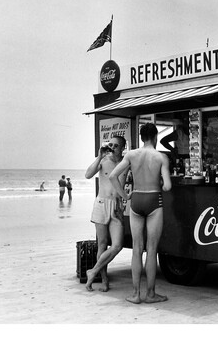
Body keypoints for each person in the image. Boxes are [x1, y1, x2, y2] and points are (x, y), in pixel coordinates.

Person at [110, 123, 172, 304]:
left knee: (137, 249)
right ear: (156, 137)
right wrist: (159, 182)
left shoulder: (131, 155)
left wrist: (124, 196)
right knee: (151, 250)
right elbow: (167, 186)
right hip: (154, 200)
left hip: (136, 200)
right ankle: (151, 294)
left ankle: (136, 294)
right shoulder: (161, 157)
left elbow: (113, 176)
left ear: (141, 137)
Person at [84, 136, 128, 292]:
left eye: (117, 145)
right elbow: (88, 175)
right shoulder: (103, 161)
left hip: (117, 207)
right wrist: (99, 156)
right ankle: (103, 279)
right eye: (111, 145)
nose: (113, 147)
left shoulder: (126, 162)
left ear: (123, 147)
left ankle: (93, 271)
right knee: (102, 244)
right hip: (101, 204)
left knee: (117, 245)